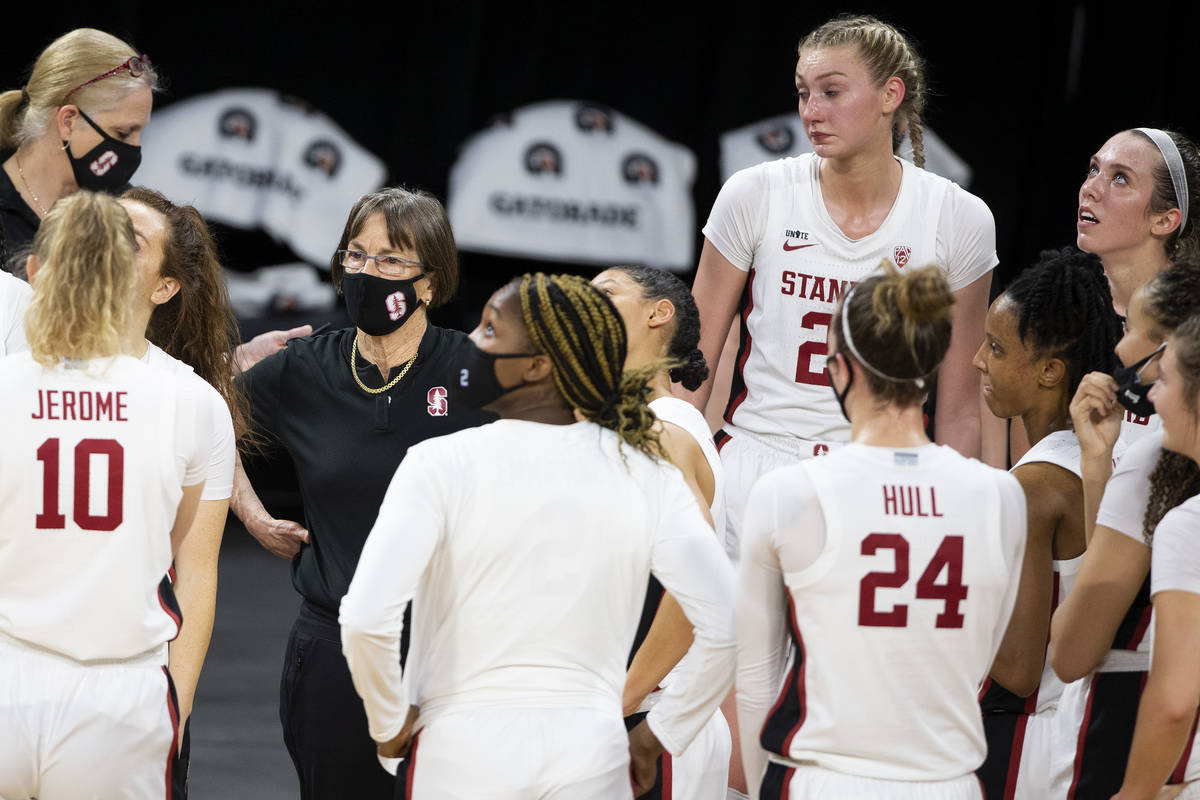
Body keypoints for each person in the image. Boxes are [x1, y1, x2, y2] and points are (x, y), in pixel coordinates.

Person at [339, 272, 736, 799]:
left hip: (464, 744)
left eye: (489, 332)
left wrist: (388, 723)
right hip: (589, 748)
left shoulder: (438, 463)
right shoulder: (640, 467)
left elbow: (366, 620)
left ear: (536, 366)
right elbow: (725, 618)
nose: (471, 345)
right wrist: (660, 734)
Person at [689, 15, 997, 583]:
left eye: (832, 92)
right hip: (757, 458)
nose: (811, 111)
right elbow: (693, 361)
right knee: (724, 668)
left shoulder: (959, 218)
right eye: (804, 93)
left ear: (890, 94)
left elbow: (958, 406)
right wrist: (676, 475)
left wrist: (953, 514)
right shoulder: (753, 194)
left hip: (884, 477)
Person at [233, 186, 493, 798]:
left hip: (453, 647)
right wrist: (250, 512)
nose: (368, 274)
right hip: (335, 650)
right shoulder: (307, 368)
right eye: (356, 256)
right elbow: (194, 419)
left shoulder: (475, 369)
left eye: (392, 261)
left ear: (430, 282)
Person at [736, 262, 1026, 800]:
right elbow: (982, 653)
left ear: (841, 370)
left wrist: (759, 787)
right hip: (948, 782)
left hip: (822, 779)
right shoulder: (1001, 495)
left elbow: (755, 678)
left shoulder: (790, 493)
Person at [0, 191, 230, 799]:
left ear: (35, 273)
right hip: (122, 694)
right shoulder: (191, 403)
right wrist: (173, 708)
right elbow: (194, 571)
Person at [970, 248, 1122, 799]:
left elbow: (1016, 671)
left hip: (1025, 740)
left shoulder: (1033, 488)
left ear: (1051, 371)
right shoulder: (1109, 451)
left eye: (996, 347)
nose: (976, 361)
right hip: (1084, 726)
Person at [1049, 259, 1200, 798]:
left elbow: (1071, 652)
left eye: (1134, 330)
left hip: (1129, 731)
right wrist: (1096, 470)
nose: (1119, 349)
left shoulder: (1159, 465)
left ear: (1176, 347)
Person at [120, 185, 246, 798]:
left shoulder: (190, 401)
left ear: (165, 287)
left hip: (128, 683)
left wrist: (176, 708)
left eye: (132, 240)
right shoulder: (15, 371)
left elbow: (196, 574)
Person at [593, 264, 732, 799]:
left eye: (606, 292)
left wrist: (620, 702)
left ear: (659, 312)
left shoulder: (663, 426)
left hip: (648, 726)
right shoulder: (621, 425)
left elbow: (698, 593)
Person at [1110, 314, 1200, 800]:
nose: (1152, 397)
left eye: (1164, 381)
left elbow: (1174, 699)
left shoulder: (1189, 525)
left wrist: (1135, 793)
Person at [0, 29, 156, 268]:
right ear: (68, 122)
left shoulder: (129, 216)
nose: (136, 149)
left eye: (139, 132)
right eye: (123, 133)